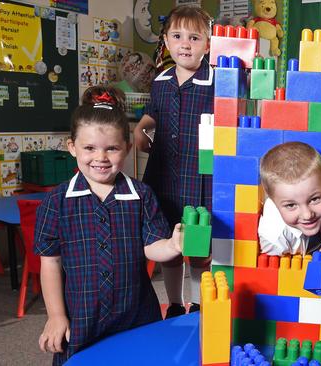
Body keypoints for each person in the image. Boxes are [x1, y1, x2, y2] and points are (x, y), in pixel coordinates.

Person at [34, 86, 184, 365]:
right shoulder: (56, 202)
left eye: (111, 148)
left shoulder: (141, 195)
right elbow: (50, 263)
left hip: (136, 315)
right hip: (82, 318)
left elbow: (152, 247)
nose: (100, 158)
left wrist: (174, 245)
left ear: (127, 149)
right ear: (72, 147)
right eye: (89, 148)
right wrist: (56, 315)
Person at [133, 5, 214, 318]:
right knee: (169, 246)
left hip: (200, 176)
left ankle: (198, 302)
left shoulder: (217, 80)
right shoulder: (162, 80)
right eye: (178, 36)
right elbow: (151, 115)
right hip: (163, 177)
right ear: (166, 41)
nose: (185, 44)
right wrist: (142, 128)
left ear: (207, 44)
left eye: (194, 38)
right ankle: (176, 303)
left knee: (197, 247)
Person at [258, 142, 321, 265]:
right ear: (273, 202)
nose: (307, 215)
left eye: (315, 199)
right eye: (291, 205)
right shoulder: (273, 239)